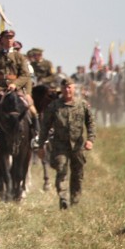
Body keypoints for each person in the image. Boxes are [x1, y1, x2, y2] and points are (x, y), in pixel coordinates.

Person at [37, 78, 96, 209]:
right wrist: (41, 146)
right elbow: (45, 127)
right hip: (60, 145)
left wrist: (90, 139)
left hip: (77, 145)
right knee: (61, 170)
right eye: (65, 87)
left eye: (70, 87)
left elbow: (90, 123)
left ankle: (75, 199)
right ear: (61, 89)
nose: (67, 90)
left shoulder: (82, 105)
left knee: (77, 174)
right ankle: (63, 199)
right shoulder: (53, 106)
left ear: (74, 89)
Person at [0, 30, 40, 140]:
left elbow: (25, 75)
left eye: (11, 38)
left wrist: (15, 84)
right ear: (2, 40)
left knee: (31, 109)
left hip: (16, 89)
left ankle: (36, 135)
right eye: (7, 38)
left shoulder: (19, 57)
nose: (9, 40)